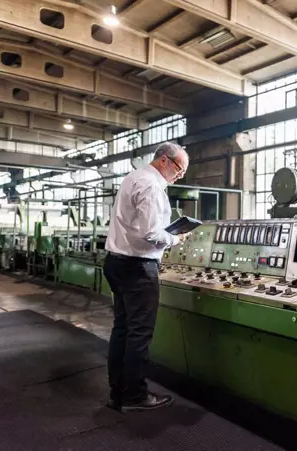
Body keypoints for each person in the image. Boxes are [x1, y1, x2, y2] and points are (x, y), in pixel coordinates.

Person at [103, 142, 189, 412]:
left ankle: (118, 392)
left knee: (123, 329)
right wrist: (176, 239)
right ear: (164, 160)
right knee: (139, 334)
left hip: (116, 262)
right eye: (179, 168)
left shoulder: (133, 177)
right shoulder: (151, 186)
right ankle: (135, 396)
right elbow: (151, 233)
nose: (180, 175)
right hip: (137, 267)